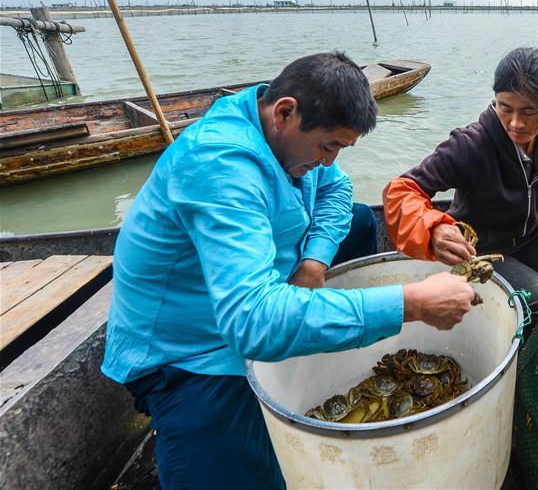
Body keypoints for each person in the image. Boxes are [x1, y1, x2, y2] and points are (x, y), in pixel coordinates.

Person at [101, 52, 475, 490]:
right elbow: (251, 322)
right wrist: (410, 303)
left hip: (255, 289)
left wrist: (315, 262)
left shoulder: (279, 133)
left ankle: (306, 323)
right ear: (285, 112)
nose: (331, 159)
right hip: (189, 349)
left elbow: (337, 189)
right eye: (329, 145)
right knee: (258, 474)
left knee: (357, 221)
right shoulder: (221, 167)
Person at [383, 47, 538, 319]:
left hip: (528, 242)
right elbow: (402, 191)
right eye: (505, 108)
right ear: (495, 100)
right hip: (478, 253)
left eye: (529, 111)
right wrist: (434, 231)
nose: (516, 123)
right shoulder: (470, 145)